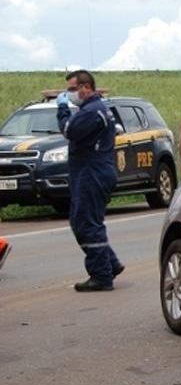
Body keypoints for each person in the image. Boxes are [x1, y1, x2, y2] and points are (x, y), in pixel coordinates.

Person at [56, 70, 124, 292]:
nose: (70, 94)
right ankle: (109, 263)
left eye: (72, 90)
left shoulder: (92, 111)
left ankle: (102, 275)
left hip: (92, 172)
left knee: (87, 223)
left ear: (85, 87)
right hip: (91, 172)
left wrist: (63, 108)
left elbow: (69, 130)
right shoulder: (95, 108)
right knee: (80, 221)